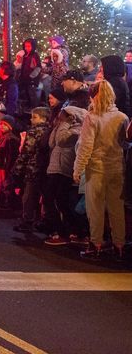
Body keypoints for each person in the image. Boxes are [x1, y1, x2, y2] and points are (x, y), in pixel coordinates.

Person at [73, 80, 128, 259]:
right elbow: (125, 143)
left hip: (96, 168)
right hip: (117, 168)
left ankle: (96, 244)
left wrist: (78, 169)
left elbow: (85, 146)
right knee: (116, 209)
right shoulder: (122, 117)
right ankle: (119, 245)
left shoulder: (93, 117)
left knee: (95, 208)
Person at [43, 106, 86, 246]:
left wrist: (65, 123)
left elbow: (61, 140)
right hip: (56, 168)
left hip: (64, 169)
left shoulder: (77, 130)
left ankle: (68, 232)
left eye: (63, 115)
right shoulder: (64, 127)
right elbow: (51, 142)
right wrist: (59, 125)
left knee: (54, 199)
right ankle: (72, 232)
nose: (60, 118)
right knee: (58, 201)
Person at [11, 107, 51, 233]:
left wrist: (17, 167)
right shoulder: (50, 130)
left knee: (29, 195)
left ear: (43, 118)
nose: (31, 119)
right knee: (43, 196)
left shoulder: (34, 131)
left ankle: (27, 220)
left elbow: (27, 151)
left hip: (33, 167)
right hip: (46, 168)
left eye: (35, 117)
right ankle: (43, 219)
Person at [17, 39, 42, 109]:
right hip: (24, 78)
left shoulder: (35, 55)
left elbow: (38, 67)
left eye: (29, 46)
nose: (27, 48)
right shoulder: (25, 55)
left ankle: (34, 108)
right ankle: (27, 107)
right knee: (25, 93)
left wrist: (32, 76)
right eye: (25, 46)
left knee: (32, 94)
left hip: (32, 79)